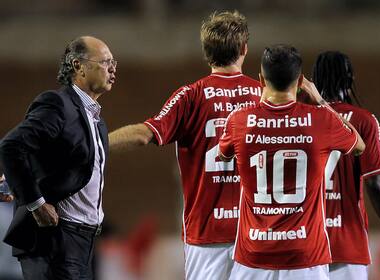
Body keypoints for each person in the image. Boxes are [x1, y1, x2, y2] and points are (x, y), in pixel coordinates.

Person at [109, 11, 261, 279]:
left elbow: (144, 134)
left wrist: (91, 143)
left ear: (206, 52)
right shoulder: (264, 96)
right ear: (244, 48)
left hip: (207, 235)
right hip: (258, 232)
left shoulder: (190, 96)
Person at [218, 44, 365, 280]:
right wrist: (321, 101)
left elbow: (223, 154)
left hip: (254, 258)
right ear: (300, 82)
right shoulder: (320, 120)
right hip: (306, 258)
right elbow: (359, 145)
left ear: (261, 80)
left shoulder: (239, 121)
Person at [0, 36, 117, 280]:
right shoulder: (58, 104)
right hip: (55, 240)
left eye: (114, 62)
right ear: (78, 66)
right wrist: (36, 203)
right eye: (105, 62)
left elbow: (45, 157)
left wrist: (20, 180)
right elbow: (12, 146)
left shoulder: (97, 121)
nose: (113, 68)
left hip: (83, 243)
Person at [312, 51, 380, 280]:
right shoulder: (362, 120)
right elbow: (376, 182)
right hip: (346, 244)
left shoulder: (299, 119)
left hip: (304, 243)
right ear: (349, 78)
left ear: (314, 81)